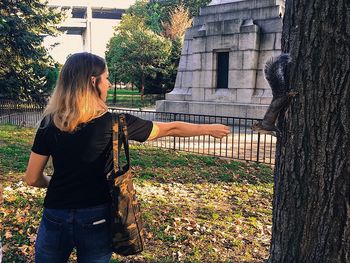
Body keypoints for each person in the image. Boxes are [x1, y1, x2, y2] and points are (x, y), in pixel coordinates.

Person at [25, 52, 229, 263]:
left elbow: (32, 178)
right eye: (106, 78)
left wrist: (57, 184)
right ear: (93, 82)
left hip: (55, 215)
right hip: (97, 217)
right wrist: (207, 128)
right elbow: (171, 128)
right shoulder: (116, 124)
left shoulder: (49, 124)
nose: (110, 84)